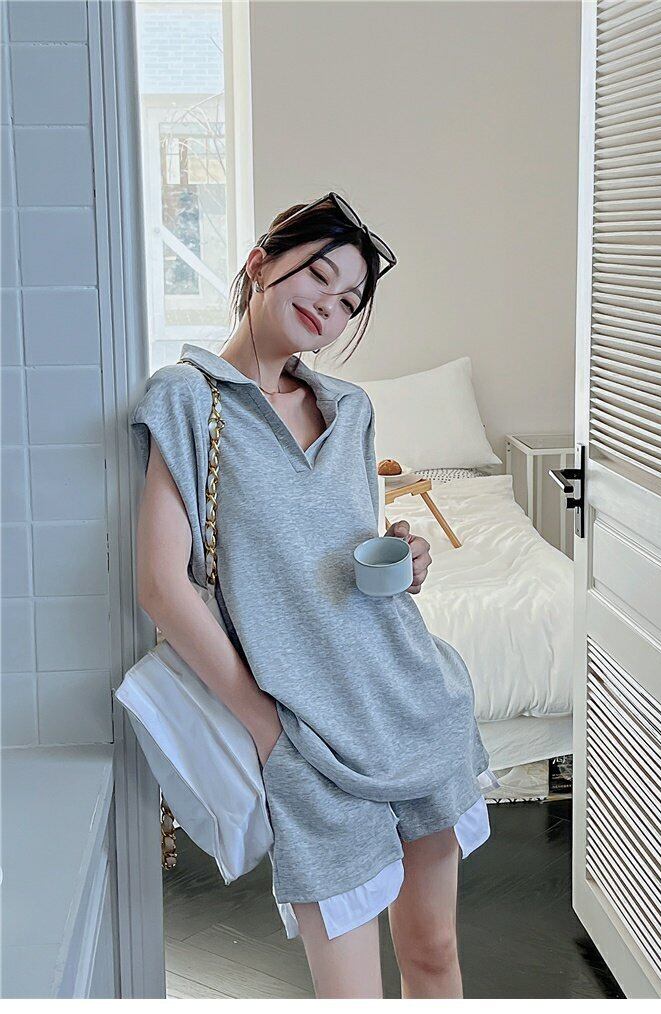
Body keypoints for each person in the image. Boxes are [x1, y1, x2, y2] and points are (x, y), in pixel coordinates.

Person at [131, 192, 499, 999]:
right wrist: (267, 729)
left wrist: (408, 559)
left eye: (349, 302)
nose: (329, 307)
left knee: (434, 951)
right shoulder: (187, 400)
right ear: (260, 263)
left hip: (409, 698)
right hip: (307, 738)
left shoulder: (351, 408)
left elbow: (345, 557)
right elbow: (160, 584)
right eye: (319, 277)